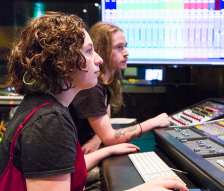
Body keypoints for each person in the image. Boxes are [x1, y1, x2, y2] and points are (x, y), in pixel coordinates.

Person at [0, 12, 188, 191]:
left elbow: (63, 169)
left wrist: (105, 151)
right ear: (62, 62)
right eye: (89, 51)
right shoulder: (49, 121)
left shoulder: (46, 107)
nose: (98, 59)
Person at [69, 22, 170, 154]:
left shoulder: (104, 84)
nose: (126, 53)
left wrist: (96, 139)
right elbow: (110, 138)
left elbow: (106, 116)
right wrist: (154, 122)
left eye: (125, 46)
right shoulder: (92, 88)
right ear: (102, 51)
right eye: (119, 47)